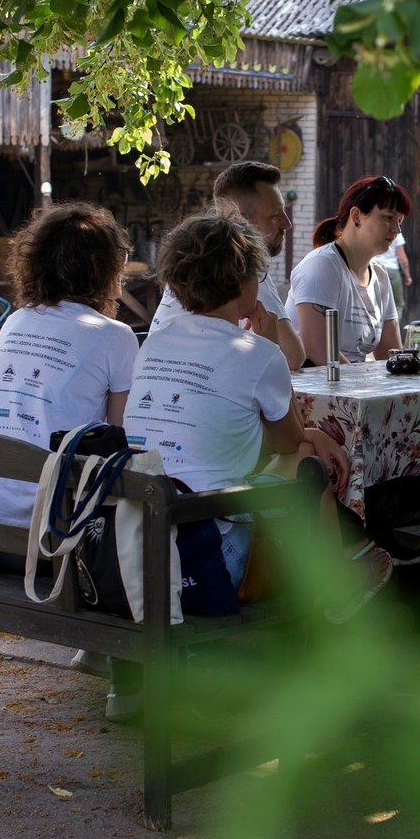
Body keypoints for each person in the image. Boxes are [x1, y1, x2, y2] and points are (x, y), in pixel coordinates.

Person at [125, 211, 353, 596]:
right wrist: (267, 346)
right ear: (243, 281)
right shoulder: (259, 354)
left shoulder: (154, 342)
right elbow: (288, 443)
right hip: (209, 555)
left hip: (143, 541)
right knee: (306, 462)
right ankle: (332, 591)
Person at [0, 202, 137, 527]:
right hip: (45, 533)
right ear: (102, 267)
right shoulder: (115, 337)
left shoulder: (15, 321)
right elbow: (122, 442)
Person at [149, 161, 306, 368]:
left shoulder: (197, 263)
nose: (287, 223)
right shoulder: (241, 267)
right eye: (274, 215)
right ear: (239, 220)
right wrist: (269, 344)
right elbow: (294, 356)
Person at [289, 175, 410, 364]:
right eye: (388, 217)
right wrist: (362, 387)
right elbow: (318, 351)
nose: (396, 229)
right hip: (320, 387)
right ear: (356, 217)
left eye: (400, 221)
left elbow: (390, 354)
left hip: (354, 386)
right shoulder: (323, 265)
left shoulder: (380, 275)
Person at [372, 231, 412, 322]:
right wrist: (407, 276)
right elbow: (402, 259)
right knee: (397, 305)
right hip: (392, 271)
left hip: (374, 269)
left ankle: (377, 332)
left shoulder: (375, 229)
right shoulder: (397, 233)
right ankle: (393, 332)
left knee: (375, 304)